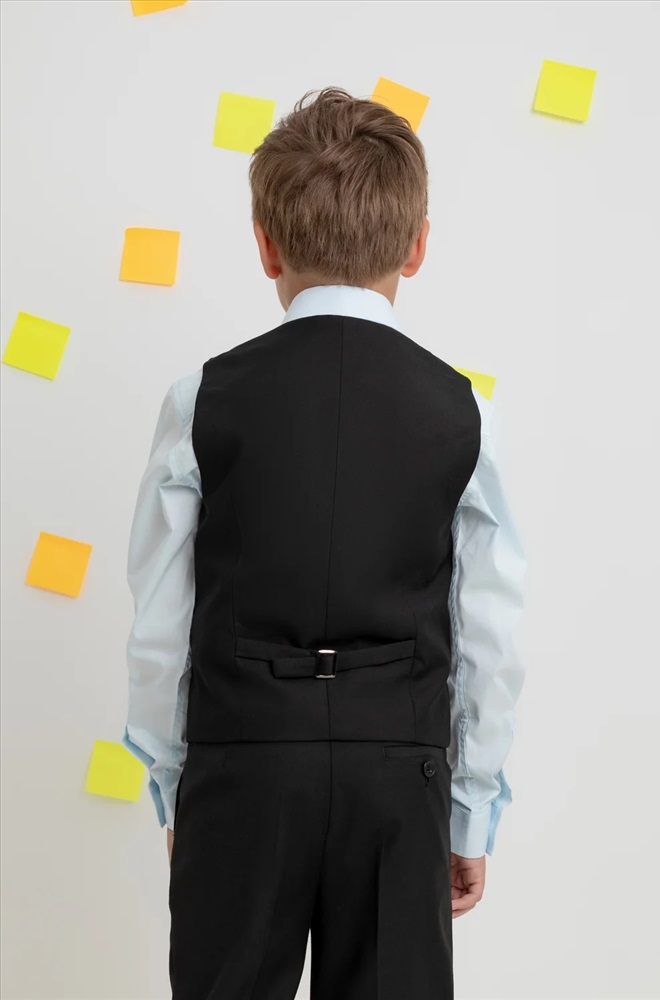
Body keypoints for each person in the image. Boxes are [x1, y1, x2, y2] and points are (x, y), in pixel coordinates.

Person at [121, 86, 527, 1000]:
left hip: (243, 766)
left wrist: (178, 784)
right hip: (398, 778)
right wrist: (470, 809)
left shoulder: (200, 400)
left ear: (264, 244)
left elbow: (158, 625)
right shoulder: (464, 411)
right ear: (416, 245)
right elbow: (490, 636)